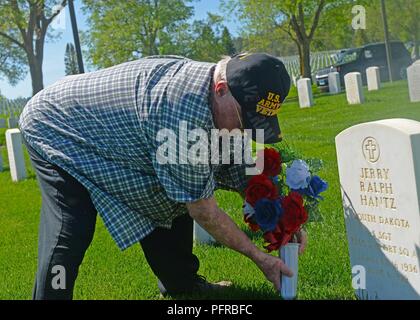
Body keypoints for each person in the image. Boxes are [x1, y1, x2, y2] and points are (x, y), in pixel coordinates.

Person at [19, 52, 308, 300]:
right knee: (72, 225)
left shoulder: (218, 97)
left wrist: (281, 214)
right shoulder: (182, 112)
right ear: (221, 88)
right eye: (245, 120)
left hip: (119, 129)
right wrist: (260, 258)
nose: (246, 132)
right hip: (54, 126)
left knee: (169, 190)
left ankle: (181, 285)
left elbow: (234, 163)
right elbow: (203, 210)